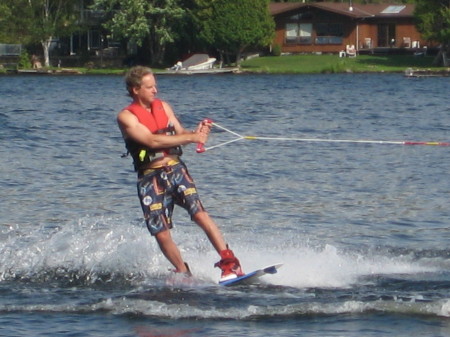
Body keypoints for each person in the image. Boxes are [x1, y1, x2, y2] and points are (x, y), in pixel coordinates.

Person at [117, 66, 244, 282]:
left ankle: (229, 262)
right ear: (135, 89)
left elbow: (180, 133)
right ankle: (183, 272)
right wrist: (191, 139)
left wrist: (197, 132)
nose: (155, 90)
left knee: (199, 214)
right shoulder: (126, 117)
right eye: (149, 87)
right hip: (150, 178)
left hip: (176, 170)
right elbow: (151, 141)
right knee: (161, 232)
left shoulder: (163, 107)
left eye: (155, 85)